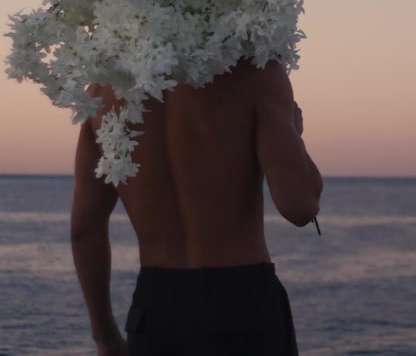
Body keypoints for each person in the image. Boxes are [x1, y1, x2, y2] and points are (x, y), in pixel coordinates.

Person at [71, 58, 324, 355]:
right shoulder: (255, 72)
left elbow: (84, 231)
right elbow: (300, 207)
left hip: (155, 310)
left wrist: (105, 337)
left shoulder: (103, 91)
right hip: (243, 305)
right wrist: (293, 132)